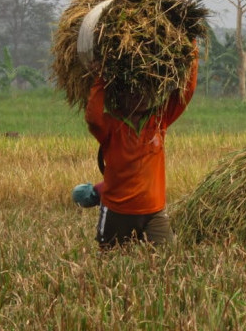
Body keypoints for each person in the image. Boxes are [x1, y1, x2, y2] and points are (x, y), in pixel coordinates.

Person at [80, 47, 199, 249]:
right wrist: (100, 78)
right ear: (121, 95)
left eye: (146, 90)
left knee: (167, 258)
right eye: (134, 91)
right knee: (111, 261)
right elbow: (93, 118)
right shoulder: (111, 124)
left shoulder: (159, 120)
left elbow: (185, 94)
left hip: (154, 212)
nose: (140, 96)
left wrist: (192, 55)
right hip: (117, 211)